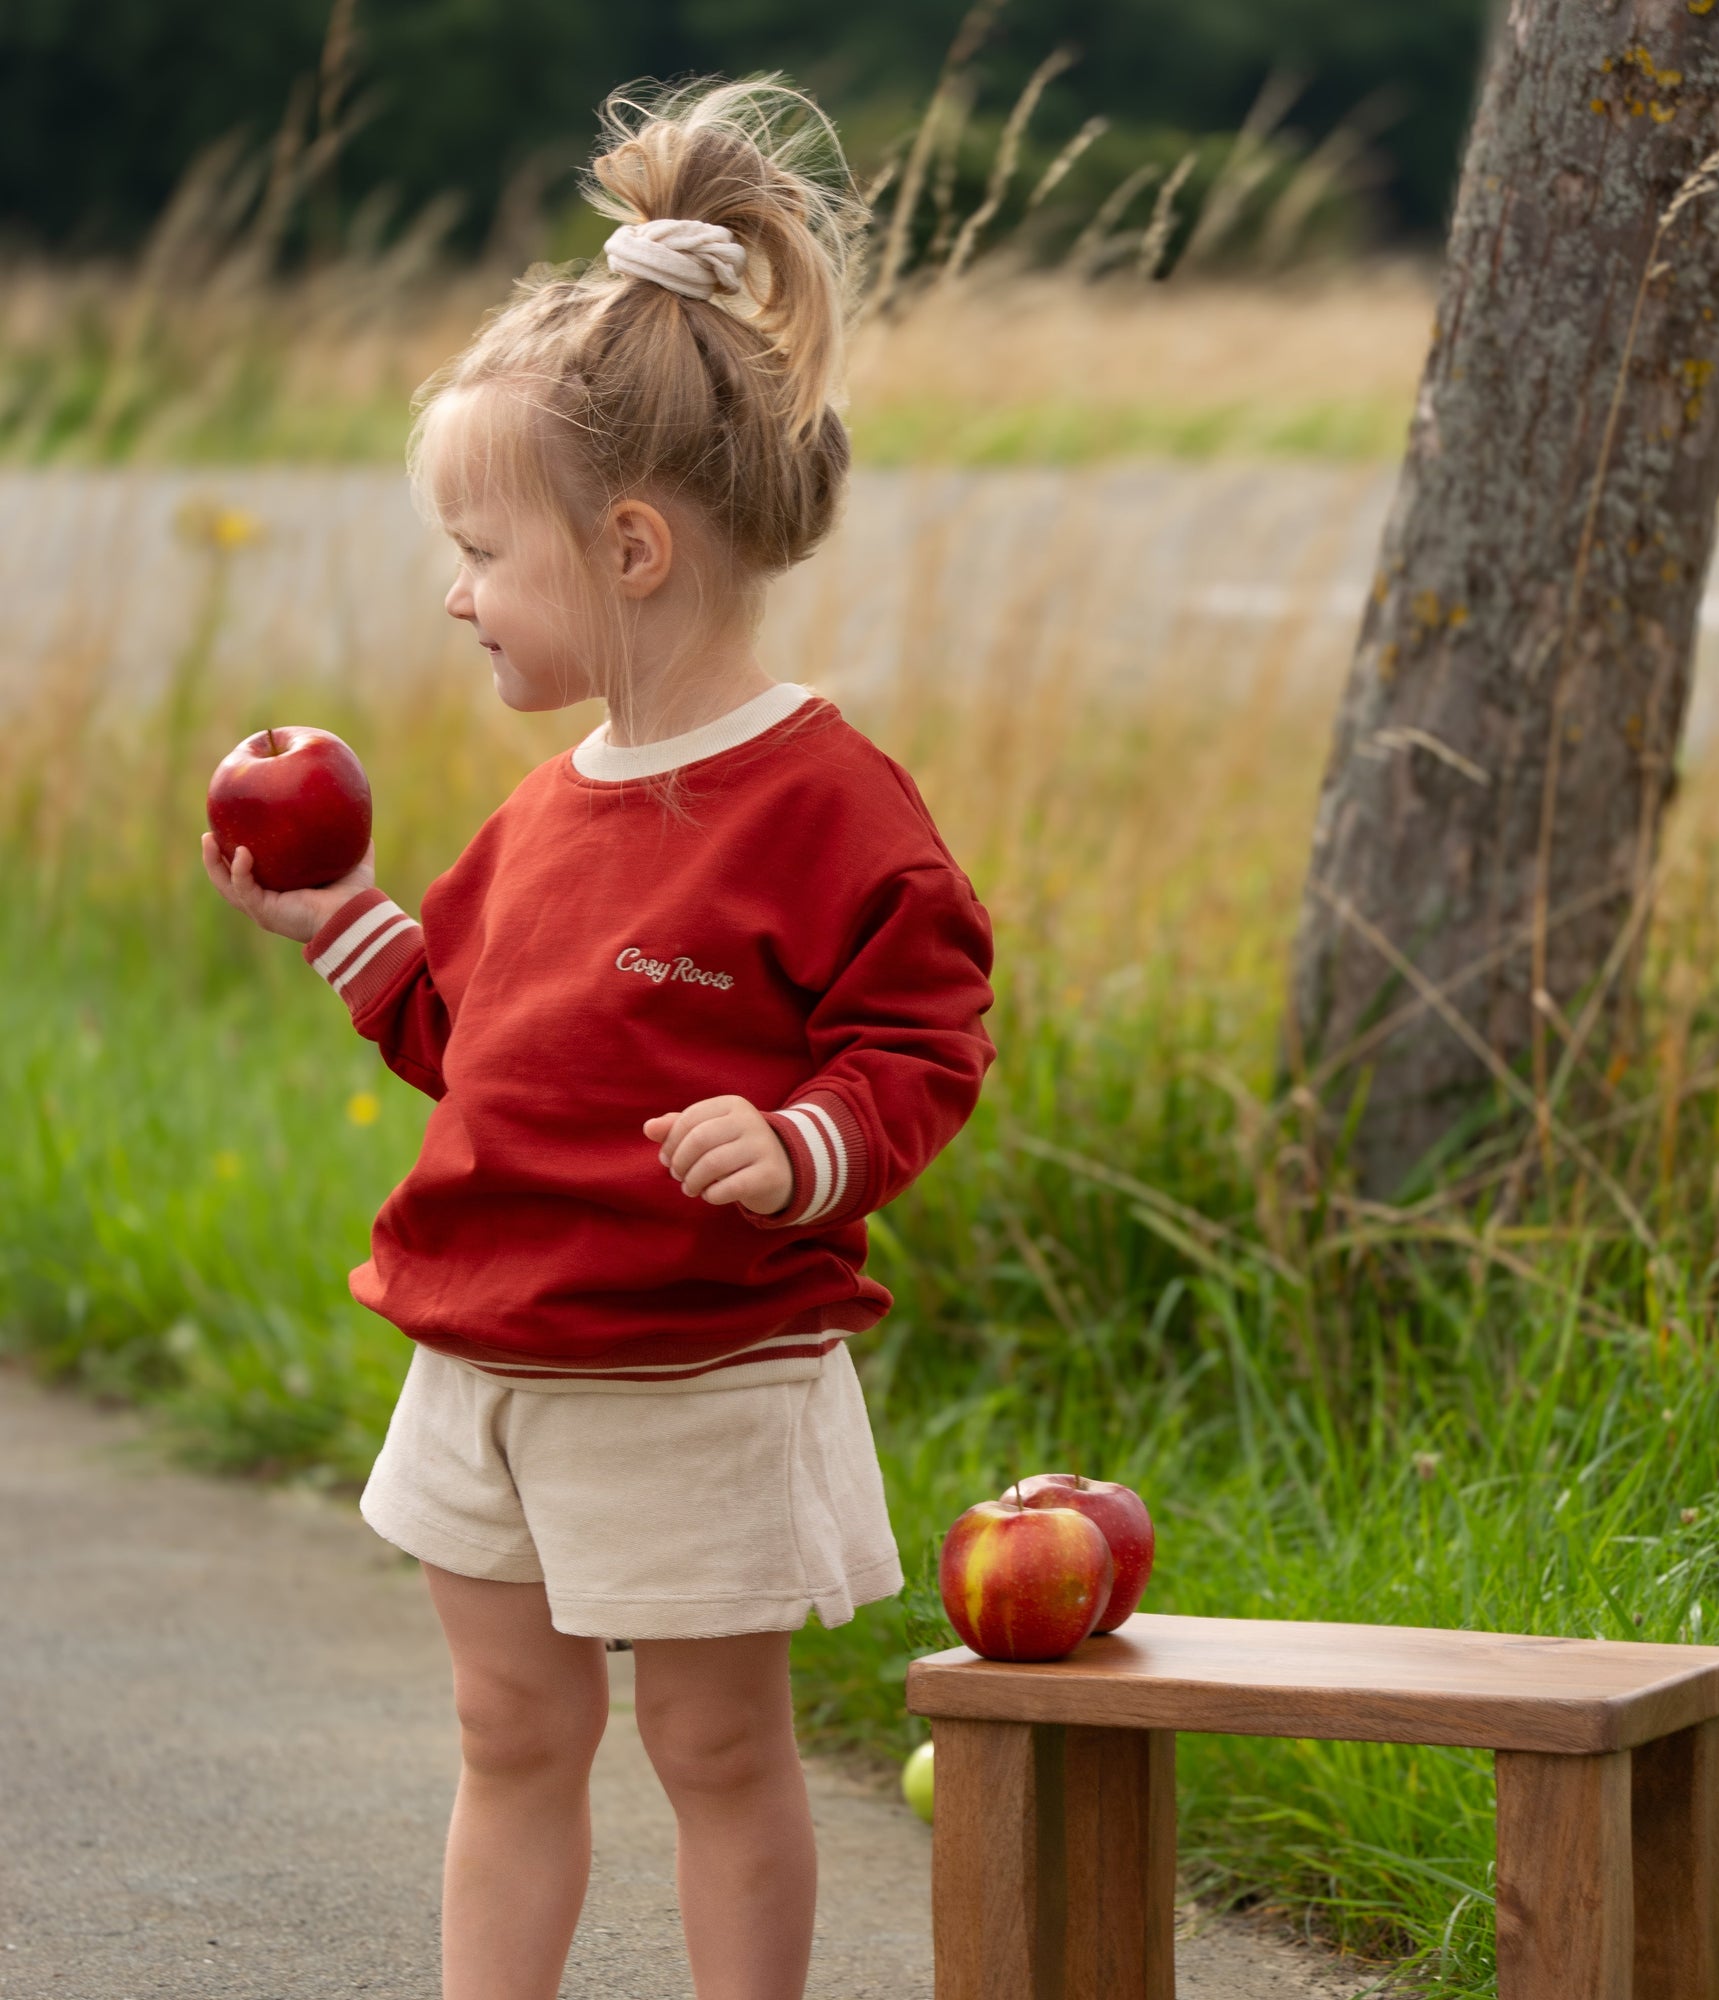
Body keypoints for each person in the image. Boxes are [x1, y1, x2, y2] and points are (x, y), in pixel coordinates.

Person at [201, 77, 995, 2000]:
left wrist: (799, 1146)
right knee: (507, 1731)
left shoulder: (830, 808)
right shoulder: (546, 808)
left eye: (482, 551)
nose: (456, 594)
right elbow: (474, 1042)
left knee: (713, 1748)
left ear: (632, 548)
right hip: (484, 1349)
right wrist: (345, 925)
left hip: (696, 1372)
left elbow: (924, 1041)